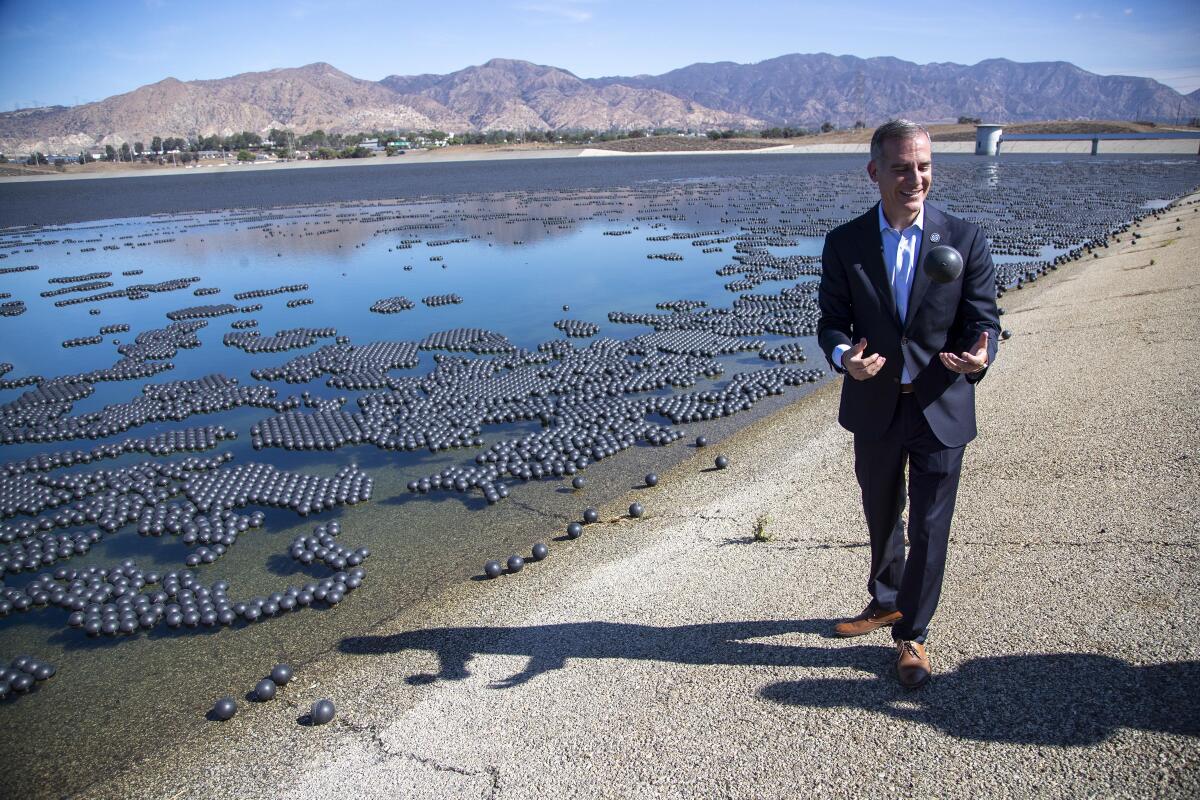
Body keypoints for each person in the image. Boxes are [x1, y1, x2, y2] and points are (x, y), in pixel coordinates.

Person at [817, 119, 1000, 688]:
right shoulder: (845, 243)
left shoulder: (964, 239)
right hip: (874, 404)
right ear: (875, 172)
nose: (914, 178)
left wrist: (981, 353)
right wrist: (845, 356)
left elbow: (983, 320)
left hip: (939, 402)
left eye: (923, 166)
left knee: (929, 522)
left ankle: (912, 635)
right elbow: (830, 323)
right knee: (880, 513)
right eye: (901, 167)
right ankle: (886, 598)